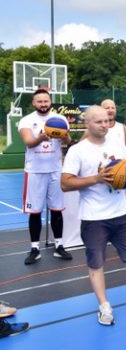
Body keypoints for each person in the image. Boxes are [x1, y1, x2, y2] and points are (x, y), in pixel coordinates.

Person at [61, 105, 126, 325]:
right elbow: (65, 183)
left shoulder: (116, 143)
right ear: (87, 123)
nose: (105, 125)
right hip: (94, 217)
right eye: (99, 122)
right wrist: (96, 179)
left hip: (121, 213)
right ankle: (104, 306)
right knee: (96, 263)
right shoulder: (77, 151)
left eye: (107, 121)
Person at [18, 88, 73, 265]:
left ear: (50, 102)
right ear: (34, 103)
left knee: (57, 210)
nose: (43, 104)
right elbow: (28, 142)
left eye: (46, 101)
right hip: (34, 171)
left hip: (55, 170)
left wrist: (64, 136)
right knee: (35, 212)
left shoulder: (60, 119)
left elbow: (68, 141)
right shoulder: (27, 120)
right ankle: (35, 248)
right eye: (39, 101)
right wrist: (42, 137)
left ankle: (59, 246)